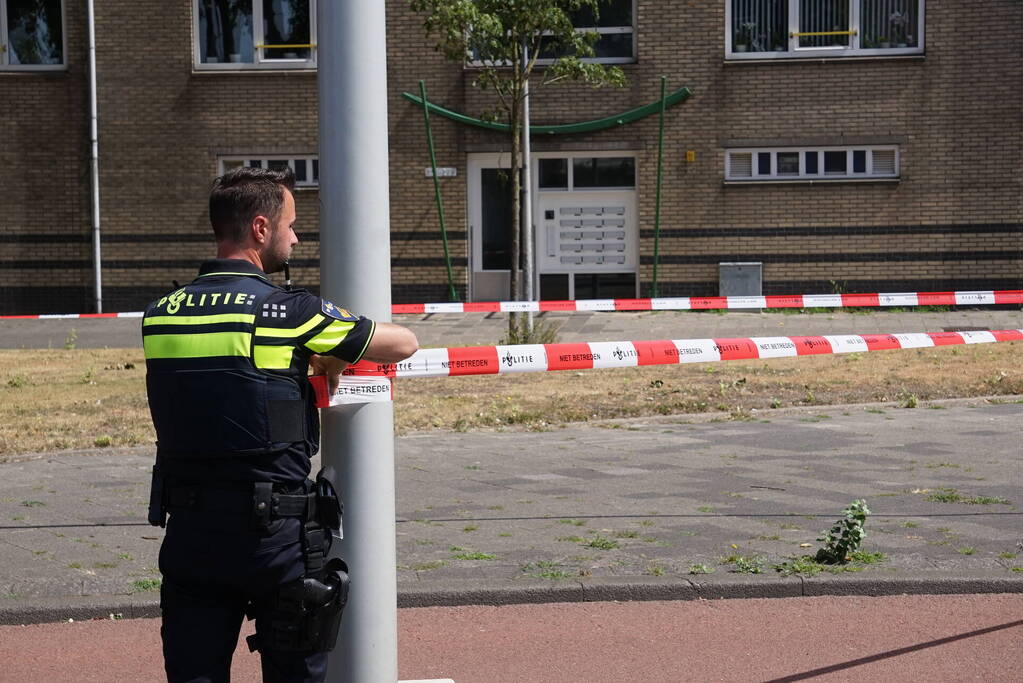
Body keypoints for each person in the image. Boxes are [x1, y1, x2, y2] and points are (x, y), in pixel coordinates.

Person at [142, 166, 418, 683]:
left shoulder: (160, 314)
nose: (296, 238)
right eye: (291, 225)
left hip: (191, 531)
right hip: (275, 535)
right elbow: (403, 343)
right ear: (261, 228)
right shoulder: (289, 312)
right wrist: (330, 356)